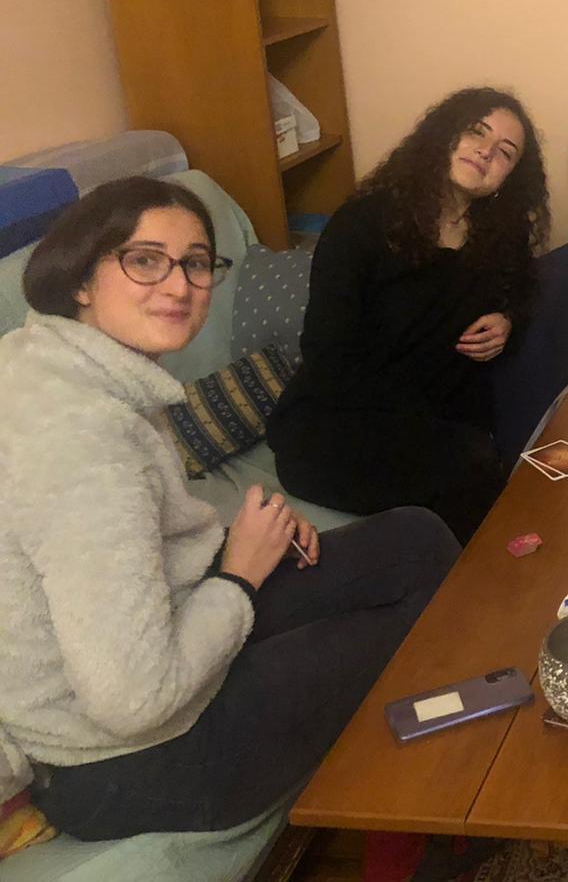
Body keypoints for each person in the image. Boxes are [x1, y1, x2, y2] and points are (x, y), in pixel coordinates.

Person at [0, 177, 457, 842]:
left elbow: (123, 550)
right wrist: (239, 575)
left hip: (168, 637)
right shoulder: (82, 443)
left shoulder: (51, 361)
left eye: (195, 263)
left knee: (416, 539)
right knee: (422, 629)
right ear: (80, 277)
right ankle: (417, 822)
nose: (179, 286)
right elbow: (133, 698)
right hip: (134, 762)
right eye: (145, 260)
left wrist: (242, 542)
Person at [268, 88, 549, 540]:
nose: (486, 151)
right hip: (336, 424)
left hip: (438, 425)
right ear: (444, 134)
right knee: (470, 469)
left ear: (508, 179)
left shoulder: (500, 237)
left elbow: (520, 295)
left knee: (483, 464)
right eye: (476, 131)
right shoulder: (362, 223)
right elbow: (327, 356)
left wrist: (507, 322)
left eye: (505, 152)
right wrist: (422, 428)